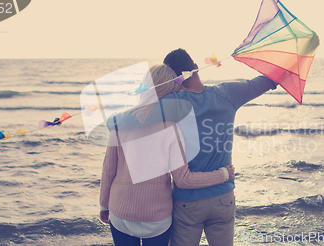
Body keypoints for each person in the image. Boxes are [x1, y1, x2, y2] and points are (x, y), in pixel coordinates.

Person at [109, 49, 278, 246]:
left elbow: (128, 119)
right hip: (223, 197)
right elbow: (266, 81)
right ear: (196, 67)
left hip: (187, 202)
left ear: (173, 80)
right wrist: (289, 65)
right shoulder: (228, 93)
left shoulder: (169, 104)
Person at [99, 64, 235, 246]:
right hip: (156, 218)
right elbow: (183, 180)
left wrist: (103, 206)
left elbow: (108, 171)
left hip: (120, 213)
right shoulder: (171, 128)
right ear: (172, 90)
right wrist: (223, 174)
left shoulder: (120, 122)